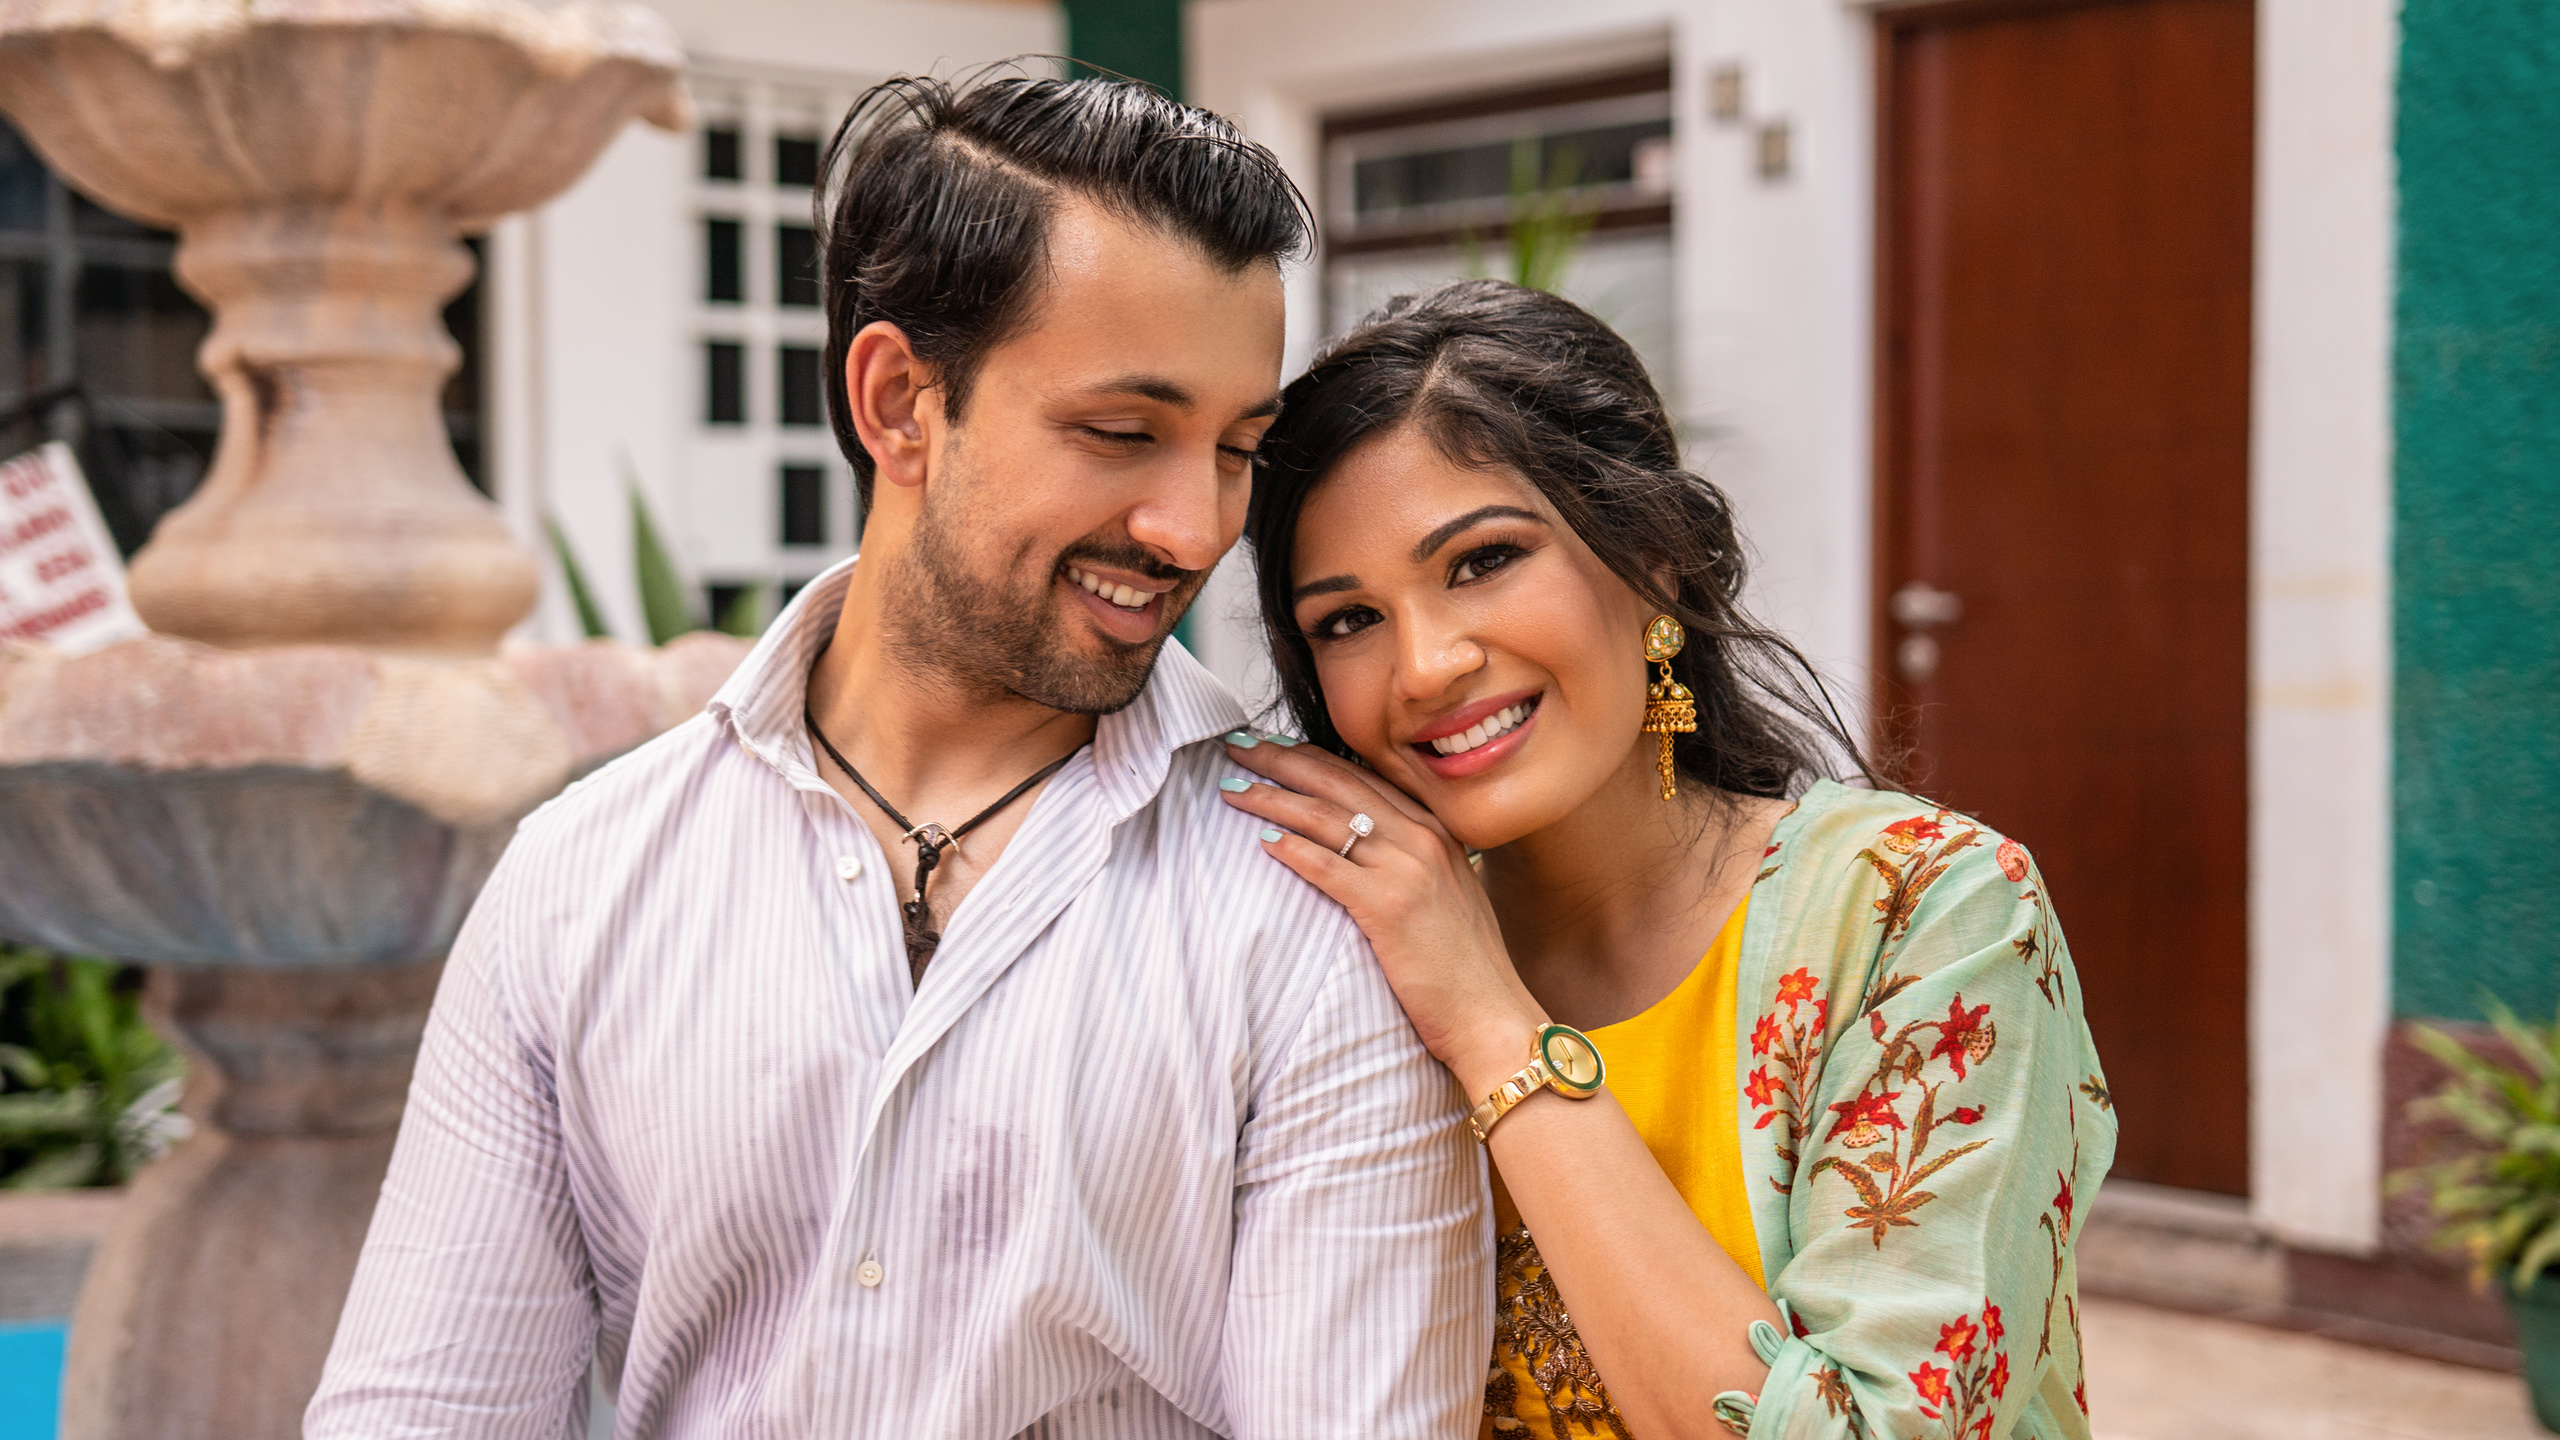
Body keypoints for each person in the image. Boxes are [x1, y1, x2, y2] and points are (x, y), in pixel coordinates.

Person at [306, 77, 1490, 1439]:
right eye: (1121, 434)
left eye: (1237, 451)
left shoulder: (1318, 902)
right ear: (900, 402)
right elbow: (426, 1411)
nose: (1192, 527)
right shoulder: (581, 883)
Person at [1217, 279, 2116, 1440]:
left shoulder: (1920, 915)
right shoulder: (1338, 952)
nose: (1425, 665)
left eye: (1482, 560)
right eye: (1347, 620)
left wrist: (1490, 1020)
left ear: (1653, 561)